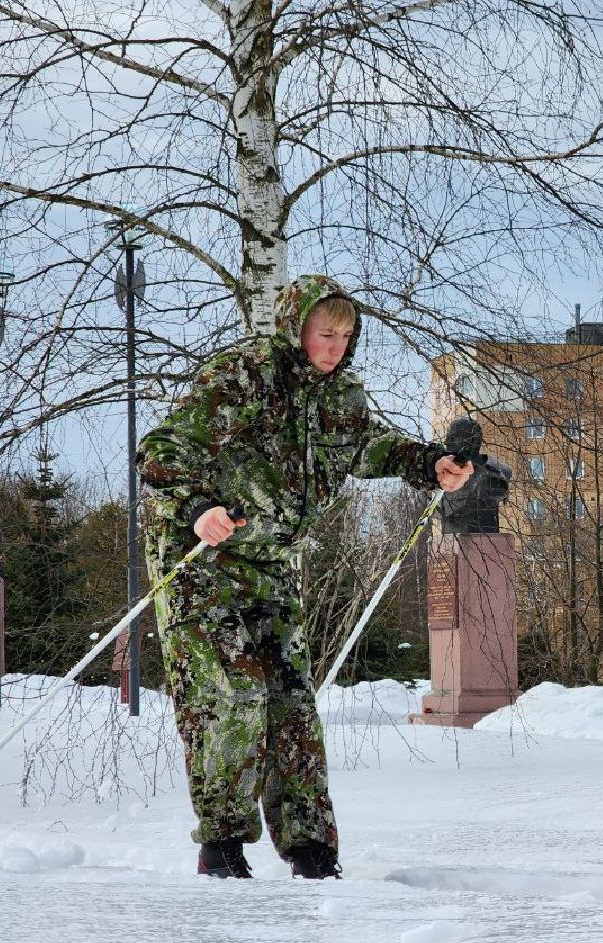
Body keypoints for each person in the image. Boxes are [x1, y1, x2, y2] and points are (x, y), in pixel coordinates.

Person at [137, 275, 473, 879]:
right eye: (324, 334)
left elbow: (369, 447)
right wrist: (198, 511)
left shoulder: (341, 396)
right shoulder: (243, 375)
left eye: (346, 336)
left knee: (292, 703)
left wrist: (429, 464)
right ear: (297, 329)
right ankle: (222, 845)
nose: (335, 347)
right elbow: (162, 449)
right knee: (231, 696)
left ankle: (311, 848)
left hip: (272, 563)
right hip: (205, 563)